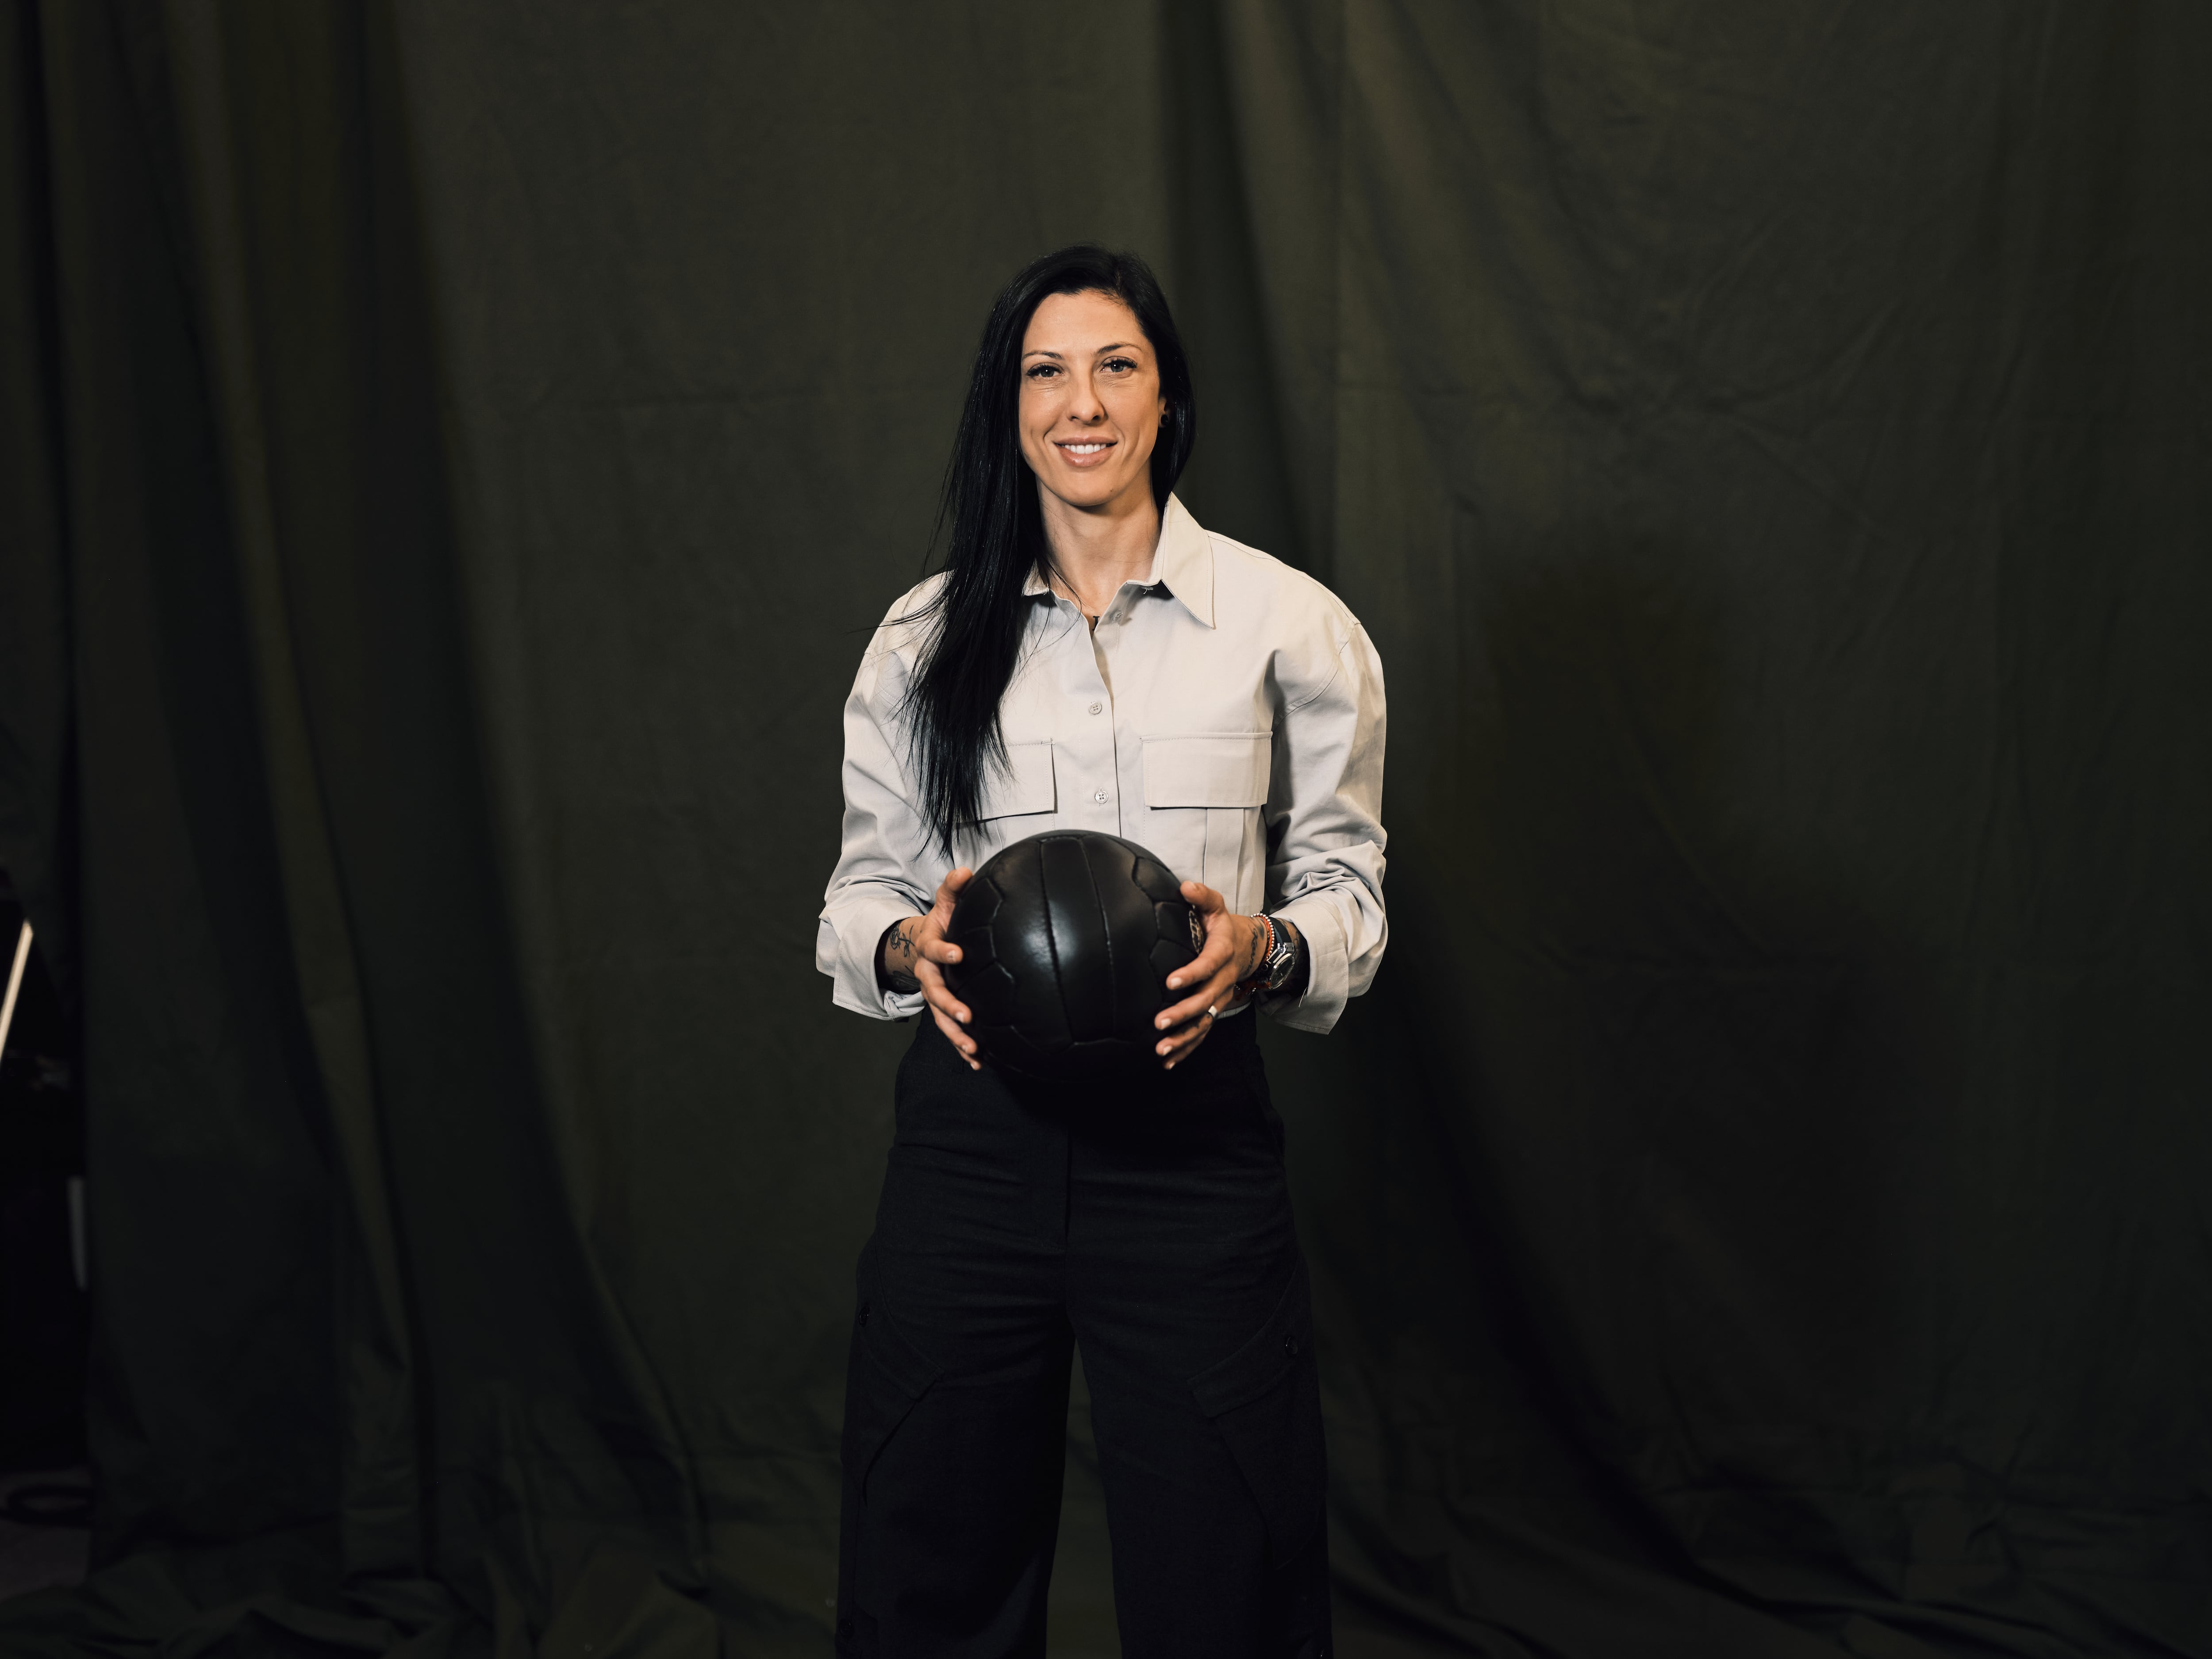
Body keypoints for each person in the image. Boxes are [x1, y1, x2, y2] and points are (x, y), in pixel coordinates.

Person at [817, 244, 1386, 1658]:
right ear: (1010, 409)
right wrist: (908, 946)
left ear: (1167, 401)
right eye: (1046, 371)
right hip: (973, 1148)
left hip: (1190, 1149)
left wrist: (1264, 946)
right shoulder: (922, 639)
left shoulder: (1289, 625)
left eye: (1115, 365)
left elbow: (1353, 895)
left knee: (1228, 1577)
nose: (1083, 401)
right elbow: (855, 892)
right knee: (926, 1569)